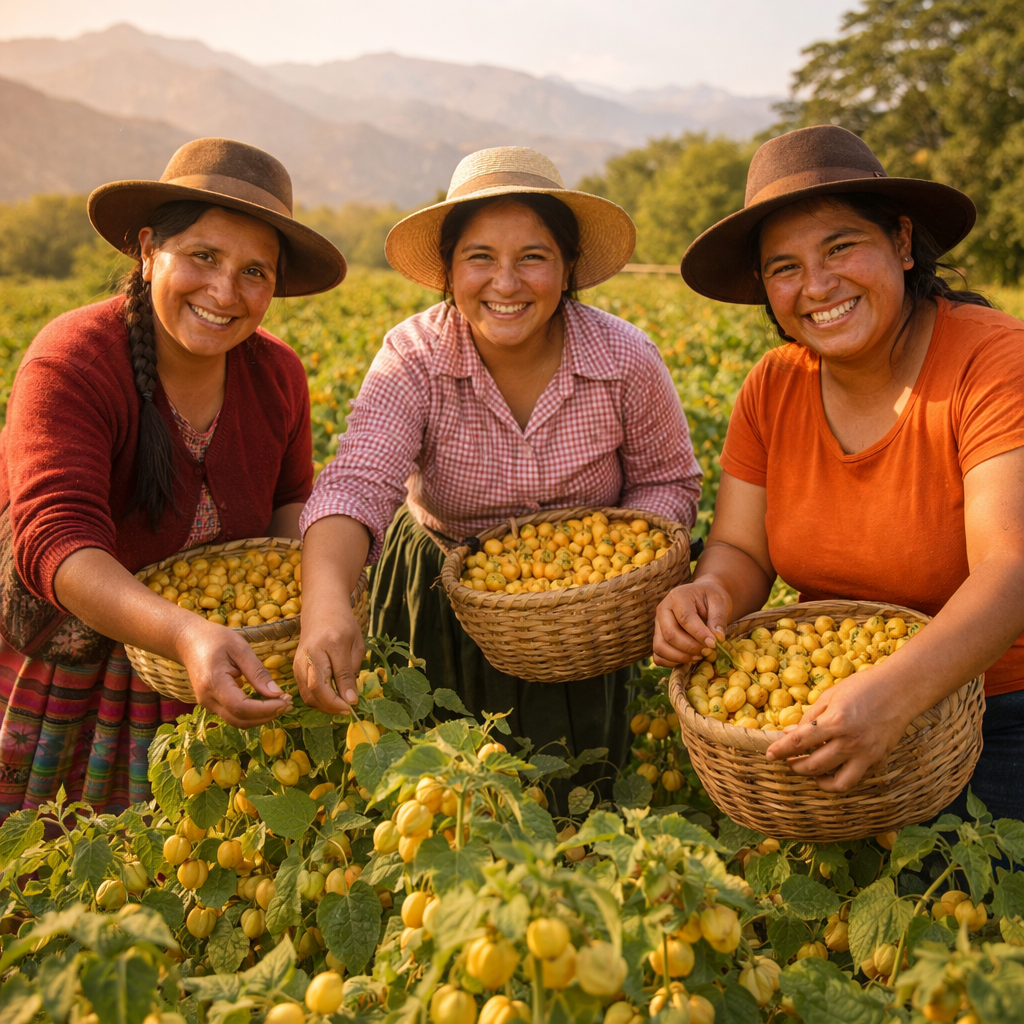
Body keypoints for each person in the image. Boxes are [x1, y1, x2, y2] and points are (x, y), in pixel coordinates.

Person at [653, 125, 1024, 818]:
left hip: (995, 714)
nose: (817, 286)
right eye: (784, 267)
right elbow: (740, 548)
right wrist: (708, 597)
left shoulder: (991, 361)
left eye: (841, 246)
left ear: (903, 243)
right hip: (826, 711)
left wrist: (895, 693)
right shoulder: (773, 385)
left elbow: (1011, 569)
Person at [295, 147, 702, 775]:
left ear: (568, 269)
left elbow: (666, 481)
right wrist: (326, 603)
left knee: (575, 780)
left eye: (532, 258)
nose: (505, 283)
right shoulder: (415, 357)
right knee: (444, 780)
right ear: (449, 271)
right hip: (442, 595)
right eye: (479, 257)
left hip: (586, 616)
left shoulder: (624, 357)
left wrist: (615, 574)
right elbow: (356, 483)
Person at [0, 138, 346, 817]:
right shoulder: (73, 359)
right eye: (203, 257)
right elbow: (55, 541)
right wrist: (185, 632)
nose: (225, 292)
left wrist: (295, 601)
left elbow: (288, 503)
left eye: (255, 272)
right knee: (55, 866)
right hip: (72, 664)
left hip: (218, 667)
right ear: (148, 248)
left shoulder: (277, 375)